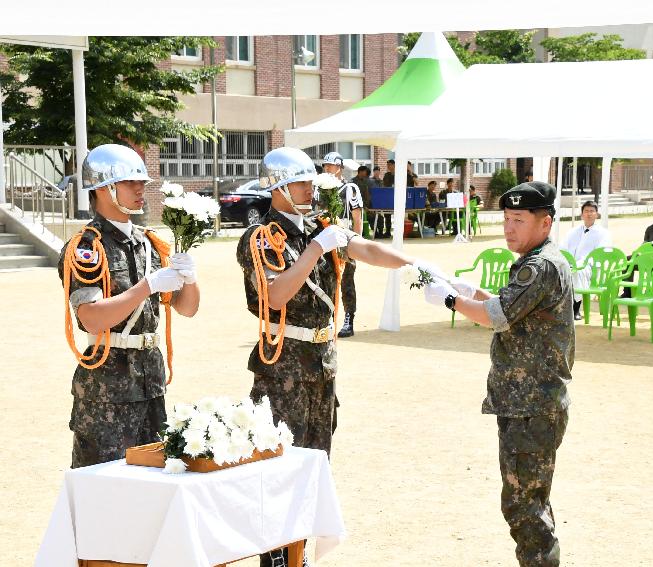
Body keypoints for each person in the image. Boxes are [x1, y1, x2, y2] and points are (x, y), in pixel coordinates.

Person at [236, 147, 439, 567]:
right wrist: (314, 249)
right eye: (302, 181)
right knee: (278, 469)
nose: (311, 187)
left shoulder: (321, 227)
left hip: (322, 365)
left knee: (315, 464)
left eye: (311, 180)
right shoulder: (258, 238)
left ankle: (300, 554)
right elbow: (274, 295)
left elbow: (365, 249)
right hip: (283, 369)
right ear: (277, 187)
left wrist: (414, 264)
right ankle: (275, 559)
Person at [422, 181, 572, 567]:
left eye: (518, 220)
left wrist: (453, 301)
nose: (509, 228)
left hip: (531, 405)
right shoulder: (538, 261)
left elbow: (499, 317)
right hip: (527, 403)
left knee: (524, 509)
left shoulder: (539, 266)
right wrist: (474, 291)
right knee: (530, 503)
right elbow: (511, 307)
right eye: (506, 219)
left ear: (545, 223)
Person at [59, 144, 200, 469]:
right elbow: (91, 318)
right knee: (103, 486)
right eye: (131, 183)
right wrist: (147, 286)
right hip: (108, 389)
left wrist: (189, 278)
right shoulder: (86, 247)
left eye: (142, 183)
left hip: (150, 381)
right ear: (105, 189)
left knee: (152, 482)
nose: (141, 190)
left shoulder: (151, 243)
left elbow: (187, 308)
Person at [321, 152, 364, 338]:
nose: (327, 169)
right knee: (324, 279)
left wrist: (356, 242)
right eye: (325, 166)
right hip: (324, 238)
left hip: (345, 238)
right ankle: (327, 319)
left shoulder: (350, 189)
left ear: (339, 168)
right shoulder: (319, 188)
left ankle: (349, 318)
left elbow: (357, 217)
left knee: (347, 280)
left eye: (330, 166)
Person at [560, 200, 612, 320]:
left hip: (591, 268)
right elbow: (562, 248)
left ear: (596, 214)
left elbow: (600, 254)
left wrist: (580, 264)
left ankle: (575, 309)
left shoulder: (603, 233)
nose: (589, 214)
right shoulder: (573, 231)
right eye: (586, 211)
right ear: (582, 214)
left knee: (576, 273)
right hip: (571, 264)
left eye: (592, 211)